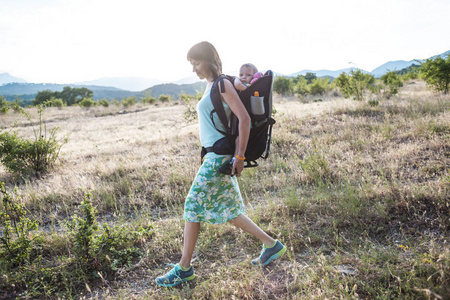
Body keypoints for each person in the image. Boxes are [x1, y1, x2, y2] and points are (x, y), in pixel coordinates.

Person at [155, 41, 286, 288]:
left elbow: (244, 119)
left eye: (196, 62)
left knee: (192, 205)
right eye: (191, 64)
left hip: (222, 157)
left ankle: (184, 269)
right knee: (230, 211)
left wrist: (239, 157)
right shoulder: (209, 85)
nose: (194, 68)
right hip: (214, 155)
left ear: (209, 60)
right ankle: (272, 245)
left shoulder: (223, 83)